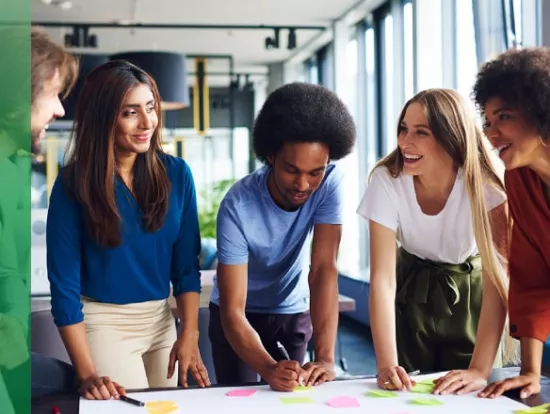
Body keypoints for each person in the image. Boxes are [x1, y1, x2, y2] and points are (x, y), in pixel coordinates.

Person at [46, 59, 210, 400]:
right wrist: (88, 372)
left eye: (150, 107)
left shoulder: (177, 174)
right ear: (104, 117)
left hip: (161, 320)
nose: (147, 122)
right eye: (130, 112)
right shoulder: (72, 184)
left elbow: (185, 267)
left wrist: (189, 333)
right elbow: (63, 286)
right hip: (103, 322)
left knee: (166, 408)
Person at [357, 88, 512, 394]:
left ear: (451, 137)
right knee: (408, 392)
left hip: (472, 297)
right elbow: (383, 280)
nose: (405, 142)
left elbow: (498, 280)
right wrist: (386, 365)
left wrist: (480, 370)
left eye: (421, 132)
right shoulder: (386, 180)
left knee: (469, 394)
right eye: (403, 129)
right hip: (410, 291)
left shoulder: (487, 188)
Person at [208, 82, 356, 392]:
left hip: (292, 311)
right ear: (271, 155)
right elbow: (233, 310)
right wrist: (267, 367)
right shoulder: (238, 204)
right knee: (242, 402)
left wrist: (326, 358)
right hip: (239, 315)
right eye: (292, 170)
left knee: (292, 399)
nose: (303, 183)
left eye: (315, 171)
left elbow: (323, 269)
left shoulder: (329, 183)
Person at [470, 47, 550, 400]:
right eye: (487, 121)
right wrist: (531, 372)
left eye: (503, 117)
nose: (491, 133)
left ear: (540, 111)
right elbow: (531, 280)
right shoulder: (519, 179)